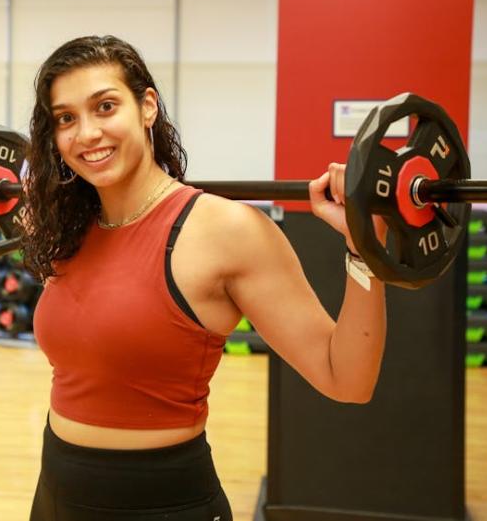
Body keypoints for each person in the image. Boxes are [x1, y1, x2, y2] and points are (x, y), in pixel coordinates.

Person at [22, 35, 388, 520]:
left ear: (147, 106)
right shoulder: (69, 230)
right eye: (66, 118)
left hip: (163, 503)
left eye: (105, 106)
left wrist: (364, 250)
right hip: (56, 493)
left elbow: (347, 379)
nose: (86, 133)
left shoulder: (228, 231)